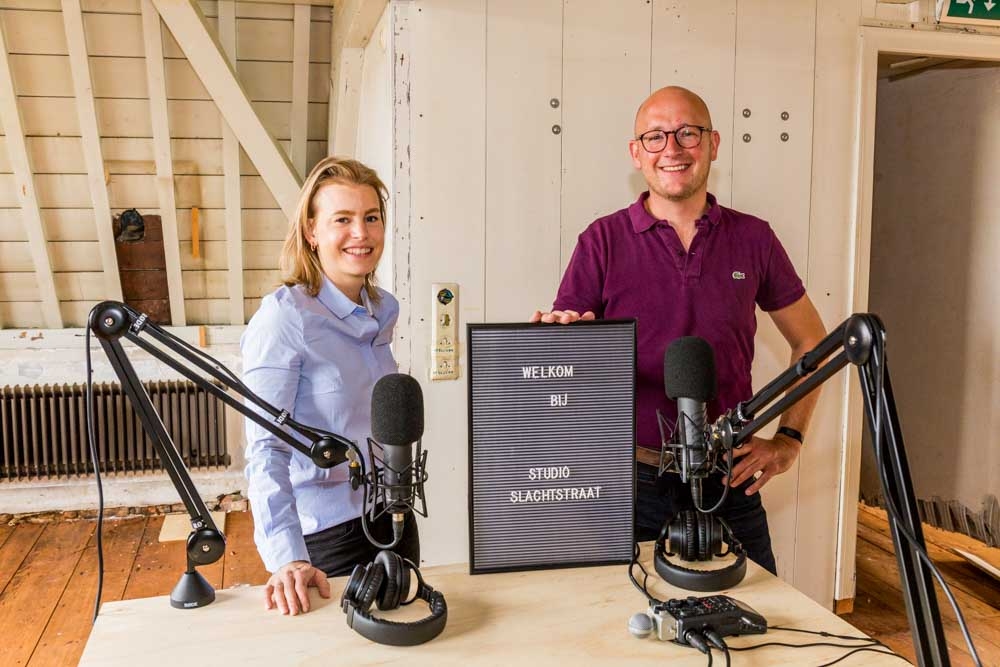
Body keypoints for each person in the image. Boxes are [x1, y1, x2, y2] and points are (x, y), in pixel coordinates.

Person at [531, 86, 826, 574]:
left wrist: (789, 440)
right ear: (636, 153)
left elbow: (812, 341)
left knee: (763, 622)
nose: (672, 148)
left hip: (731, 478)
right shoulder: (602, 240)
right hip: (631, 482)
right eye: (655, 136)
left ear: (713, 143)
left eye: (688, 133)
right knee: (626, 630)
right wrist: (558, 337)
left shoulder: (754, 238)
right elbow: (568, 358)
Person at [241, 156, 418, 615]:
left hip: (390, 517)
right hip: (326, 535)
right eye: (343, 219)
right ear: (312, 232)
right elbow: (265, 451)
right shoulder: (285, 318)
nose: (361, 233)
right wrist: (288, 558)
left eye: (371, 218)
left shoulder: (385, 310)